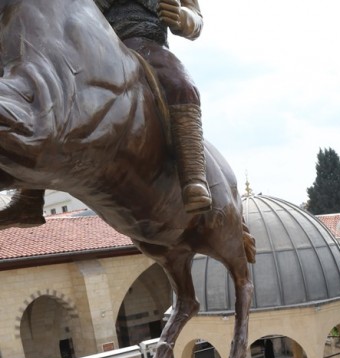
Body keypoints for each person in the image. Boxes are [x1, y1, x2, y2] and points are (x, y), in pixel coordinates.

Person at [0, 0, 211, 227]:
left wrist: (182, 18)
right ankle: (29, 199)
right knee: (48, 92)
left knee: (181, 86)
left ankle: (193, 177)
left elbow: (195, 19)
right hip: (91, 48)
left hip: (144, 45)